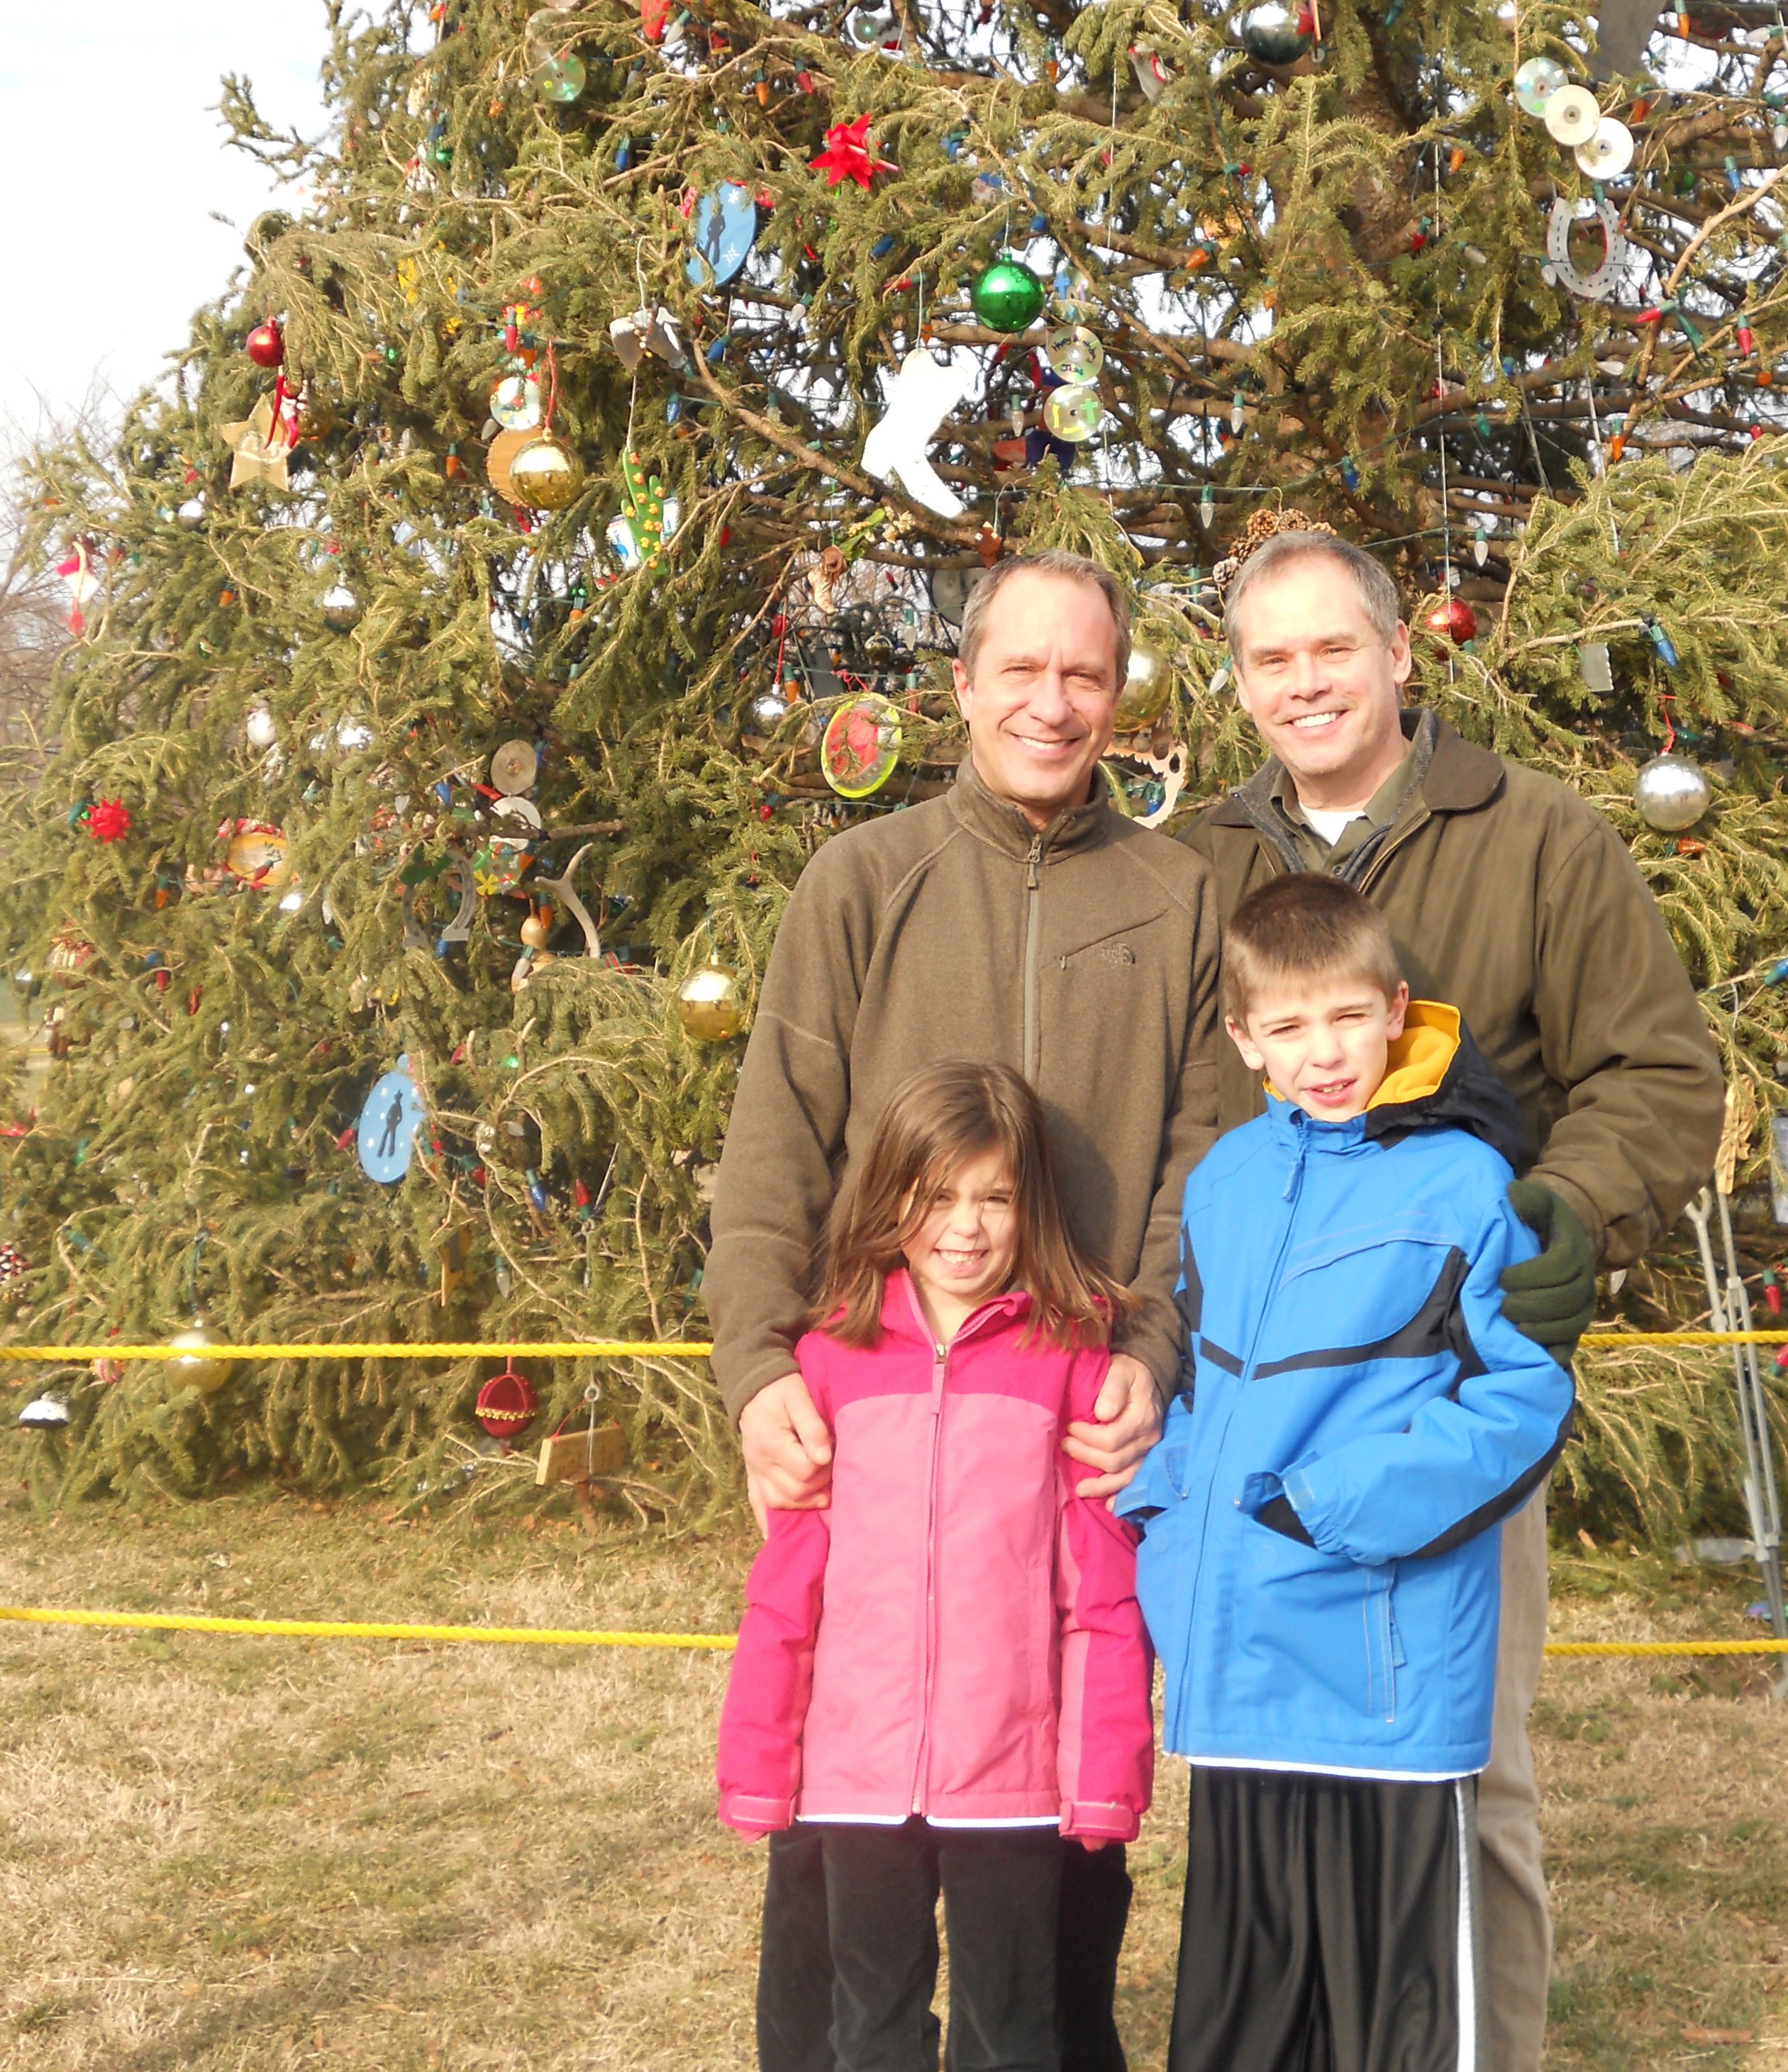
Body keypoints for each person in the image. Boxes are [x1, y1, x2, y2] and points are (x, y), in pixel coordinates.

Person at [1187, 525, 1726, 2072]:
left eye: (1331, 647)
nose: (1306, 682)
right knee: (1273, 1768)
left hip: (1446, 1397)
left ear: (1398, 653)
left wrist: (1571, 1208)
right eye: (1271, 657)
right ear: (1239, 683)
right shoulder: (1206, 859)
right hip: (1269, 1399)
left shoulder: (1536, 835)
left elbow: (1659, 1068)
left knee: (1464, 1764)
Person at [706, 550, 1223, 2072]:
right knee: (835, 1858)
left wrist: (1152, 1346)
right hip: (867, 1436)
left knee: (1058, 1839)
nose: (1051, 702)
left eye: (1083, 674)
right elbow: (774, 1151)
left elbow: (1207, 1160)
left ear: (1117, 693)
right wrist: (756, 1374)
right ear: (964, 684)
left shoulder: (1179, 894)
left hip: (1060, 1439)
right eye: (1022, 670)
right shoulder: (862, 883)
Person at [1127, 874, 1575, 2072]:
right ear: (1244, 1039)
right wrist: (1166, 1512)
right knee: (1248, 2015)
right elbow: (1196, 1379)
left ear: (1395, 1009)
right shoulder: (1224, 1178)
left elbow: (1519, 1402)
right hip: (1235, 1668)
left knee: (1394, 2024)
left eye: (1344, 1019)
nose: (1321, 1054)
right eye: (1287, 1027)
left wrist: (1323, 1510)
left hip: (1381, 1665)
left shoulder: (1468, 1181)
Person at [718, 1059, 1155, 2072]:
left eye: (994, 1197)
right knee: (870, 2030)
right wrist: (759, 1761)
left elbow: (1101, 1599)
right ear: (890, 1198)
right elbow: (787, 1594)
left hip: (1014, 1783)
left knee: (1013, 2032)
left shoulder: (1071, 1361)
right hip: (856, 1783)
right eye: (937, 1195)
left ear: (1029, 1205)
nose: (966, 1225)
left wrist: (1102, 1774)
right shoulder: (828, 1361)